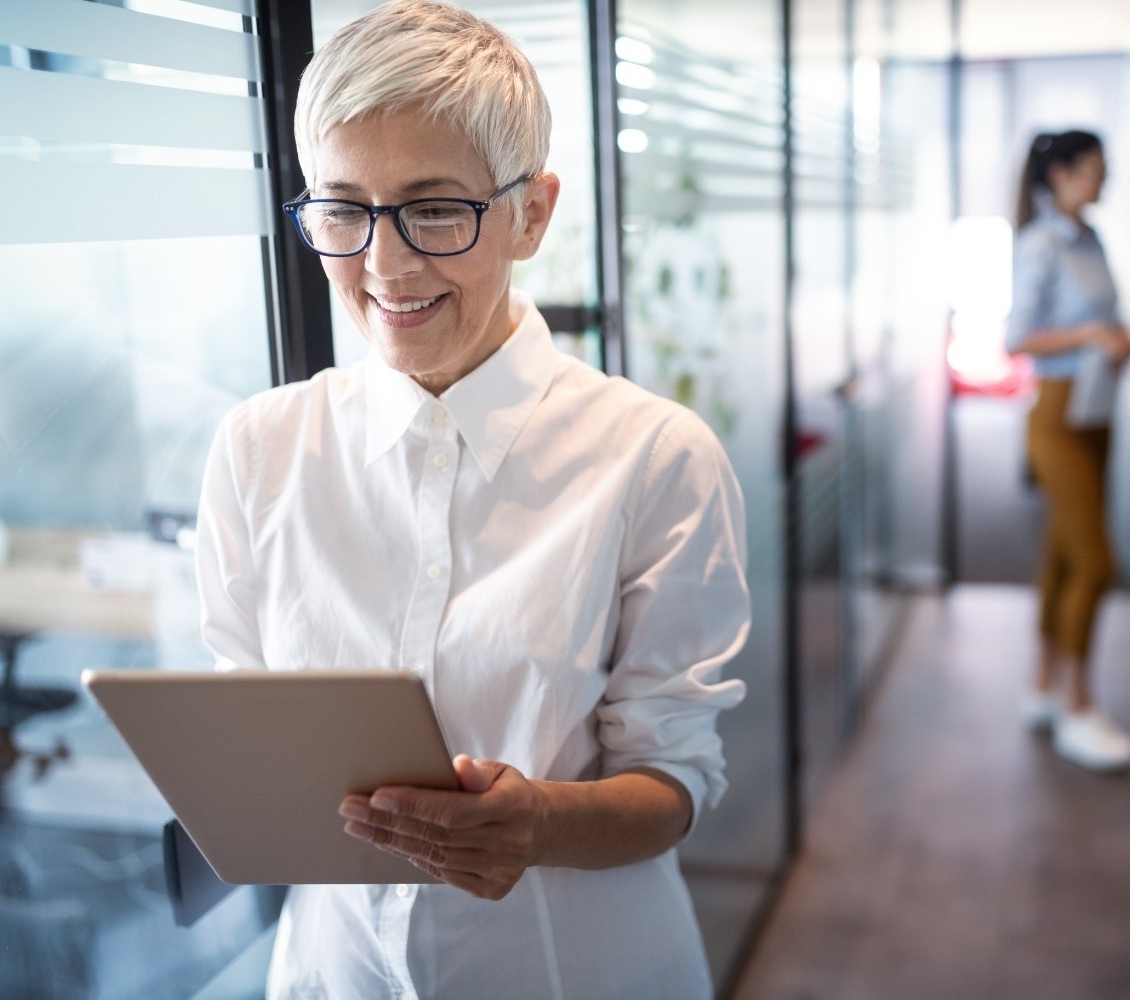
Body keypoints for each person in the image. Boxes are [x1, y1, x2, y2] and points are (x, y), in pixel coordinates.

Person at [193, 3, 750, 997]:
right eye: (343, 211)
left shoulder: (656, 457)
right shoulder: (258, 450)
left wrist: (542, 823)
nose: (385, 263)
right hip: (335, 969)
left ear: (531, 214)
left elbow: (677, 780)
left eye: (436, 209)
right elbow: (249, 738)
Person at [1006, 129, 1130, 772]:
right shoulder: (1042, 243)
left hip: (1096, 408)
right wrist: (1092, 333)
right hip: (1058, 414)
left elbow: (1103, 321)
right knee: (1095, 562)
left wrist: (1116, 339)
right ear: (1059, 174)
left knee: (1062, 556)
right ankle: (1078, 706)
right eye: (1093, 168)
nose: (1102, 179)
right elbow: (1017, 338)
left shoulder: (1091, 239)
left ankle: (1042, 685)